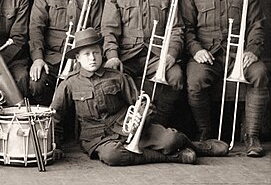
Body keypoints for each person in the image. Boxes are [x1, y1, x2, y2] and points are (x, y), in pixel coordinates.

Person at [50, 28, 228, 167]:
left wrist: (140, 117)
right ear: (78, 59)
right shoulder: (69, 84)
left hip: (130, 128)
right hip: (98, 138)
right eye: (86, 54)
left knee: (171, 140)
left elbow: (142, 102)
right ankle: (174, 157)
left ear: (101, 53)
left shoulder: (117, 76)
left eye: (96, 52)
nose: (92, 58)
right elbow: (55, 116)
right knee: (113, 157)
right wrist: (55, 145)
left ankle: (196, 146)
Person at [180, 0, 267, 156]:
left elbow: (256, 24)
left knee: (259, 73)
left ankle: (251, 135)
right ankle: (205, 133)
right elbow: (186, 28)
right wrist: (196, 50)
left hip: (239, 55)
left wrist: (252, 50)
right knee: (194, 81)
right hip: (207, 55)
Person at [101, 0, 184, 127]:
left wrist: (171, 53)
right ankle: (125, 126)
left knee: (176, 76)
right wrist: (113, 56)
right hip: (127, 57)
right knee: (110, 79)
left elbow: (177, 28)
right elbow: (109, 30)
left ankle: (158, 125)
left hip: (156, 56)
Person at [28, 0, 102, 106]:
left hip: (81, 59)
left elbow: (98, 29)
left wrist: (85, 57)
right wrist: (38, 58)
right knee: (37, 83)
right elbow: (36, 28)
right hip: (51, 59)